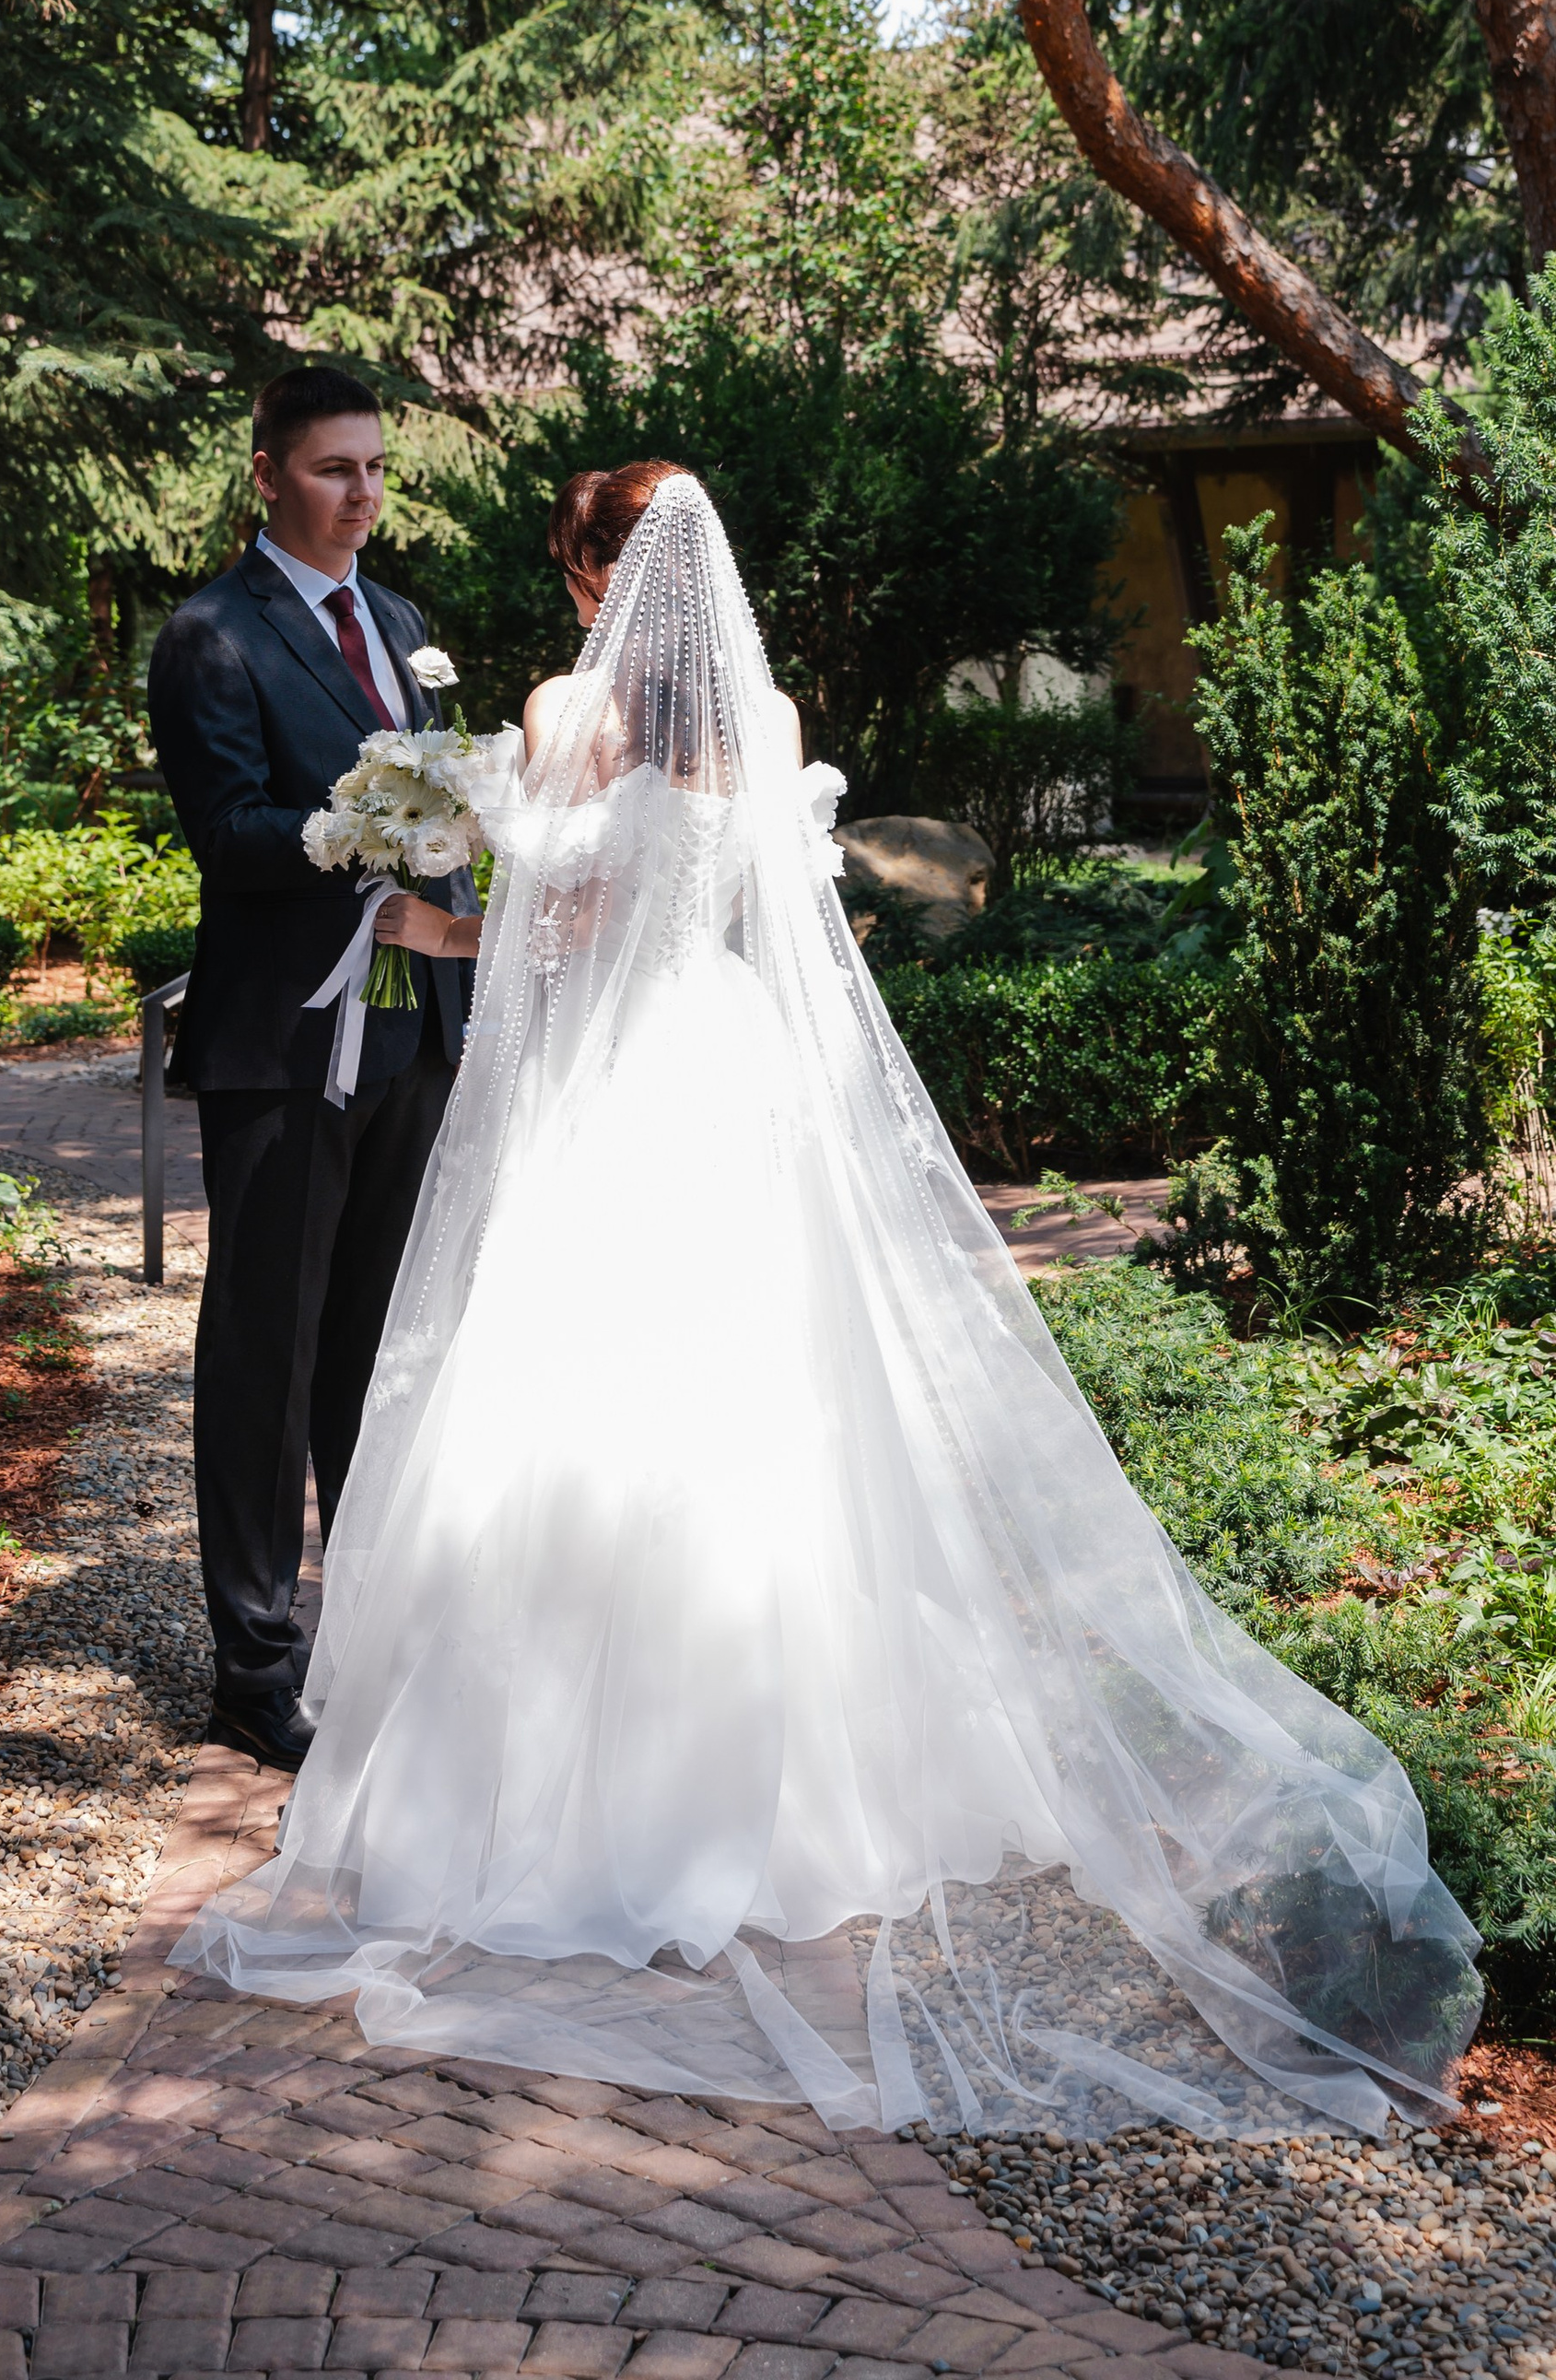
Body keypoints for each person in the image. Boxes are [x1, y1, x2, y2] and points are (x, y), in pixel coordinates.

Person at [170, 463, 1482, 2139]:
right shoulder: (772, 721)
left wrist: (440, 894)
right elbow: (782, 927)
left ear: (595, 575)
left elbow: (545, 939)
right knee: (773, 1413)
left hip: (616, 1090)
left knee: (585, 1403)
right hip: (738, 1075)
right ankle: (807, 1786)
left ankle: (572, 1790)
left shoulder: (565, 706)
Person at [146, 363, 481, 1773]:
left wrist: (455, 837)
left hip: (408, 1035)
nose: (366, 494)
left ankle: (369, 1637)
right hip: (282, 1044)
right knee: (268, 1354)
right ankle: (254, 1664)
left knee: (374, 1349)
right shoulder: (211, 634)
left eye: (378, 468)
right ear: (271, 477)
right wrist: (351, 832)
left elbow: (451, 786)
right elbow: (223, 831)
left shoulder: (400, 624)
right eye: (338, 469)